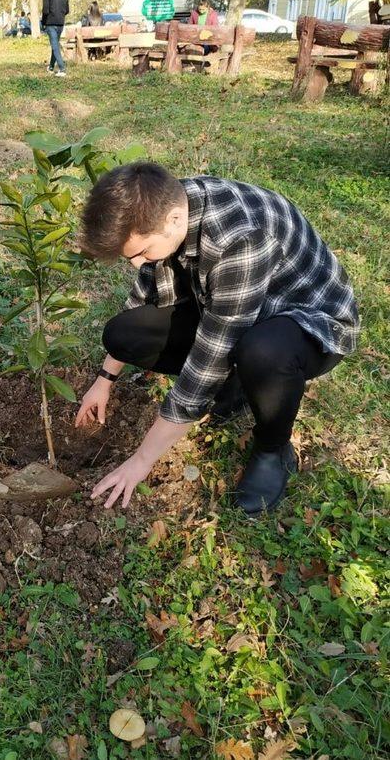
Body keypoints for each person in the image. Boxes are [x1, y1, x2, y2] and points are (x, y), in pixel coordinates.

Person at [75, 163, 359, 516]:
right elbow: (142, 300)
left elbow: (208, 362)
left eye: (142, 252)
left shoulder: (239, 238)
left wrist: (141, 460)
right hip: (235, 307)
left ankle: (273, 450)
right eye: (129, 255)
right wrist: (105, 379)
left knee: (262, 352)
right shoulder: (163, 210)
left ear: (175, 219)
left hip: (309, 322)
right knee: (124, 334)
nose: (136, 264)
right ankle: (238, 383)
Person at [42, 0, 70, 77]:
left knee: (55, 46)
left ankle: (62, 69)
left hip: (50, 23)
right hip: (60, 23)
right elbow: (67, 10)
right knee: (55, 46)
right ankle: (51, 67)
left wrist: (43, 23)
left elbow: (45, 11)